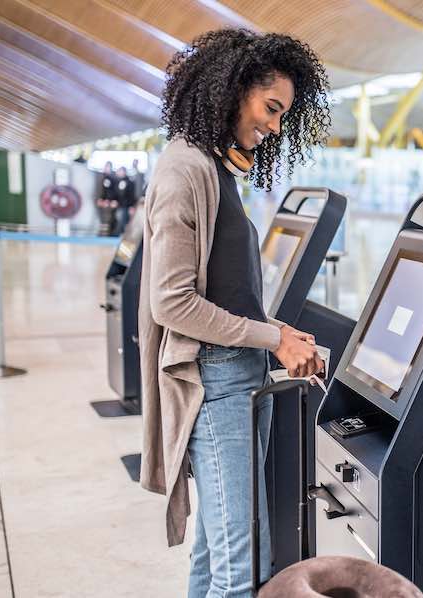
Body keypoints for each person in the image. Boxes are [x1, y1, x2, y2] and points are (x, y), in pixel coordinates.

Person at [137, 28, 332, 598]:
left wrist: (277, 330)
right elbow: (171, 302)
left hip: (237, 372)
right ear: (233, 87)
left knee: (220, 549)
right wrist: (271, 339)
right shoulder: (185, 171)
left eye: (282, 115)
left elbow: (223, 286)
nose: (275, 126)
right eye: (271, 108)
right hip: (218, 381)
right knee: (243, 567)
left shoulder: (214, 167)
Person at [114, 166, 134, 235]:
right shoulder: (118, 182)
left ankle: (126, 234)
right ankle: (122, 233)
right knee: (120, 220)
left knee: (125, 221)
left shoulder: (129, 182)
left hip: (126, 205)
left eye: (121, 171)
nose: (119, 173)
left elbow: (131, 195)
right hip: (120, 205)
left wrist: (131, 206)